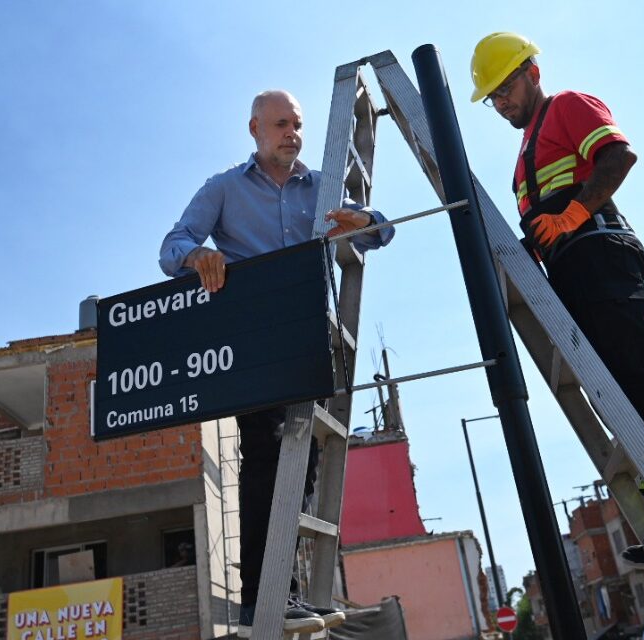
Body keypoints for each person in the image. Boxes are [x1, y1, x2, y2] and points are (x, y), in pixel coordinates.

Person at [469, 33, 644, 569]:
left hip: (601, 256)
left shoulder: (567, 105)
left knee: (636, 377)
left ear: (532, 74)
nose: (500, 104)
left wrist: (574, 214)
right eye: (492, 98)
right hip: (572, 271)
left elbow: (617, 157)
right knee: (617, 398)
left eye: (505, 90)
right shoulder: (524, 160)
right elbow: (545, 223)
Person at [159, 89, 392, 636]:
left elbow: (385, 229)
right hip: (254, 343)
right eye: (281, 123)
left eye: (298, 124)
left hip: (309, 339)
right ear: (255, 129)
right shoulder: (223, 188)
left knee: (303, 464)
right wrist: (200, 256)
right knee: (264, 458)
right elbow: (172, 246)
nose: (293, 133)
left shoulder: (323, 185)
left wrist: (364, 221)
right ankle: (257, 600)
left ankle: (284, 593)